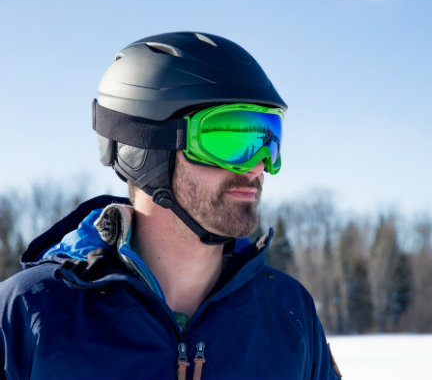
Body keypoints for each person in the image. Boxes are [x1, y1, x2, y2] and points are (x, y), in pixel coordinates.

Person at [0, 32, 341, 380]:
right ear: (146, 149)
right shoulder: (30, 312)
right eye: (228, 139)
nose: (257, 165)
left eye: (268, 139)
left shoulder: (288, 311)